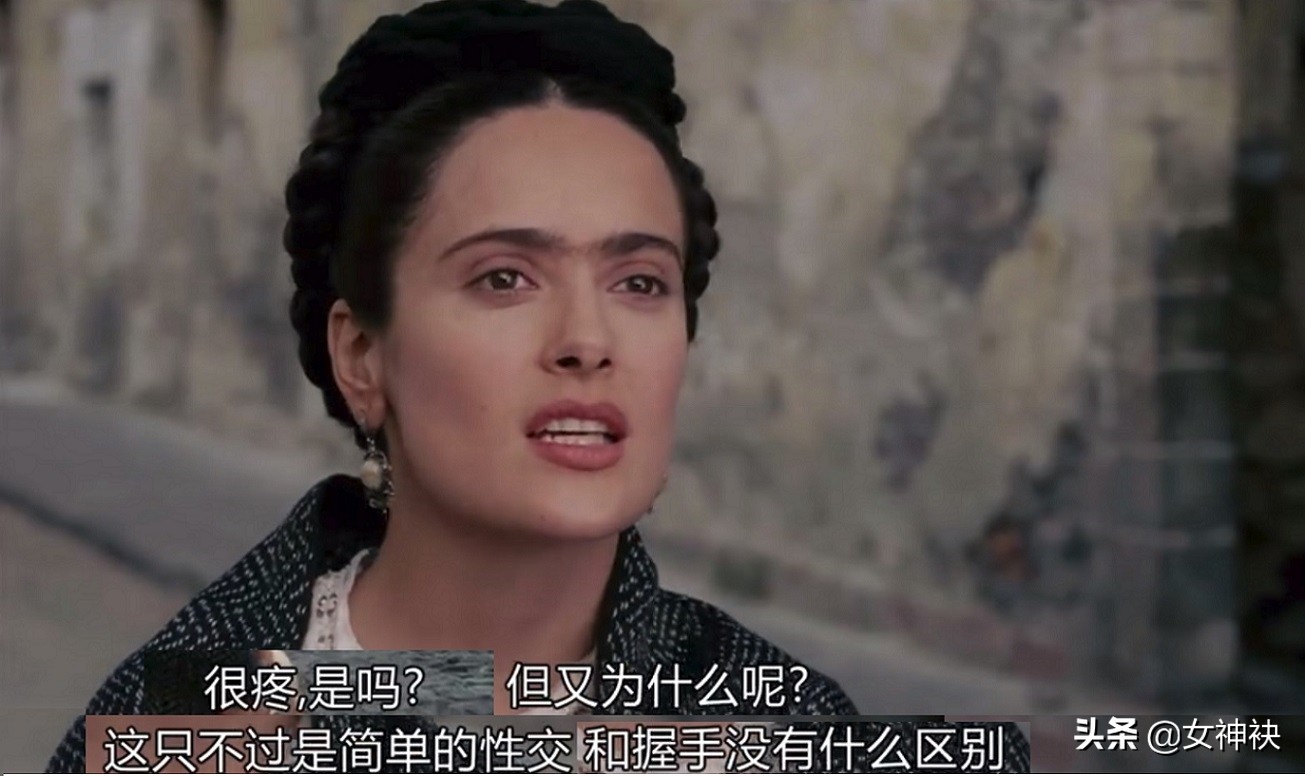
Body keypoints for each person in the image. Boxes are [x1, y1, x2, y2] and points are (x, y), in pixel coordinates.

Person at [49, 1, 1030, 772]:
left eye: (639, 282)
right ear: (362, 355)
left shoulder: (786, 727)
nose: (588, 342)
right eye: (504, 278)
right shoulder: (180, 723)